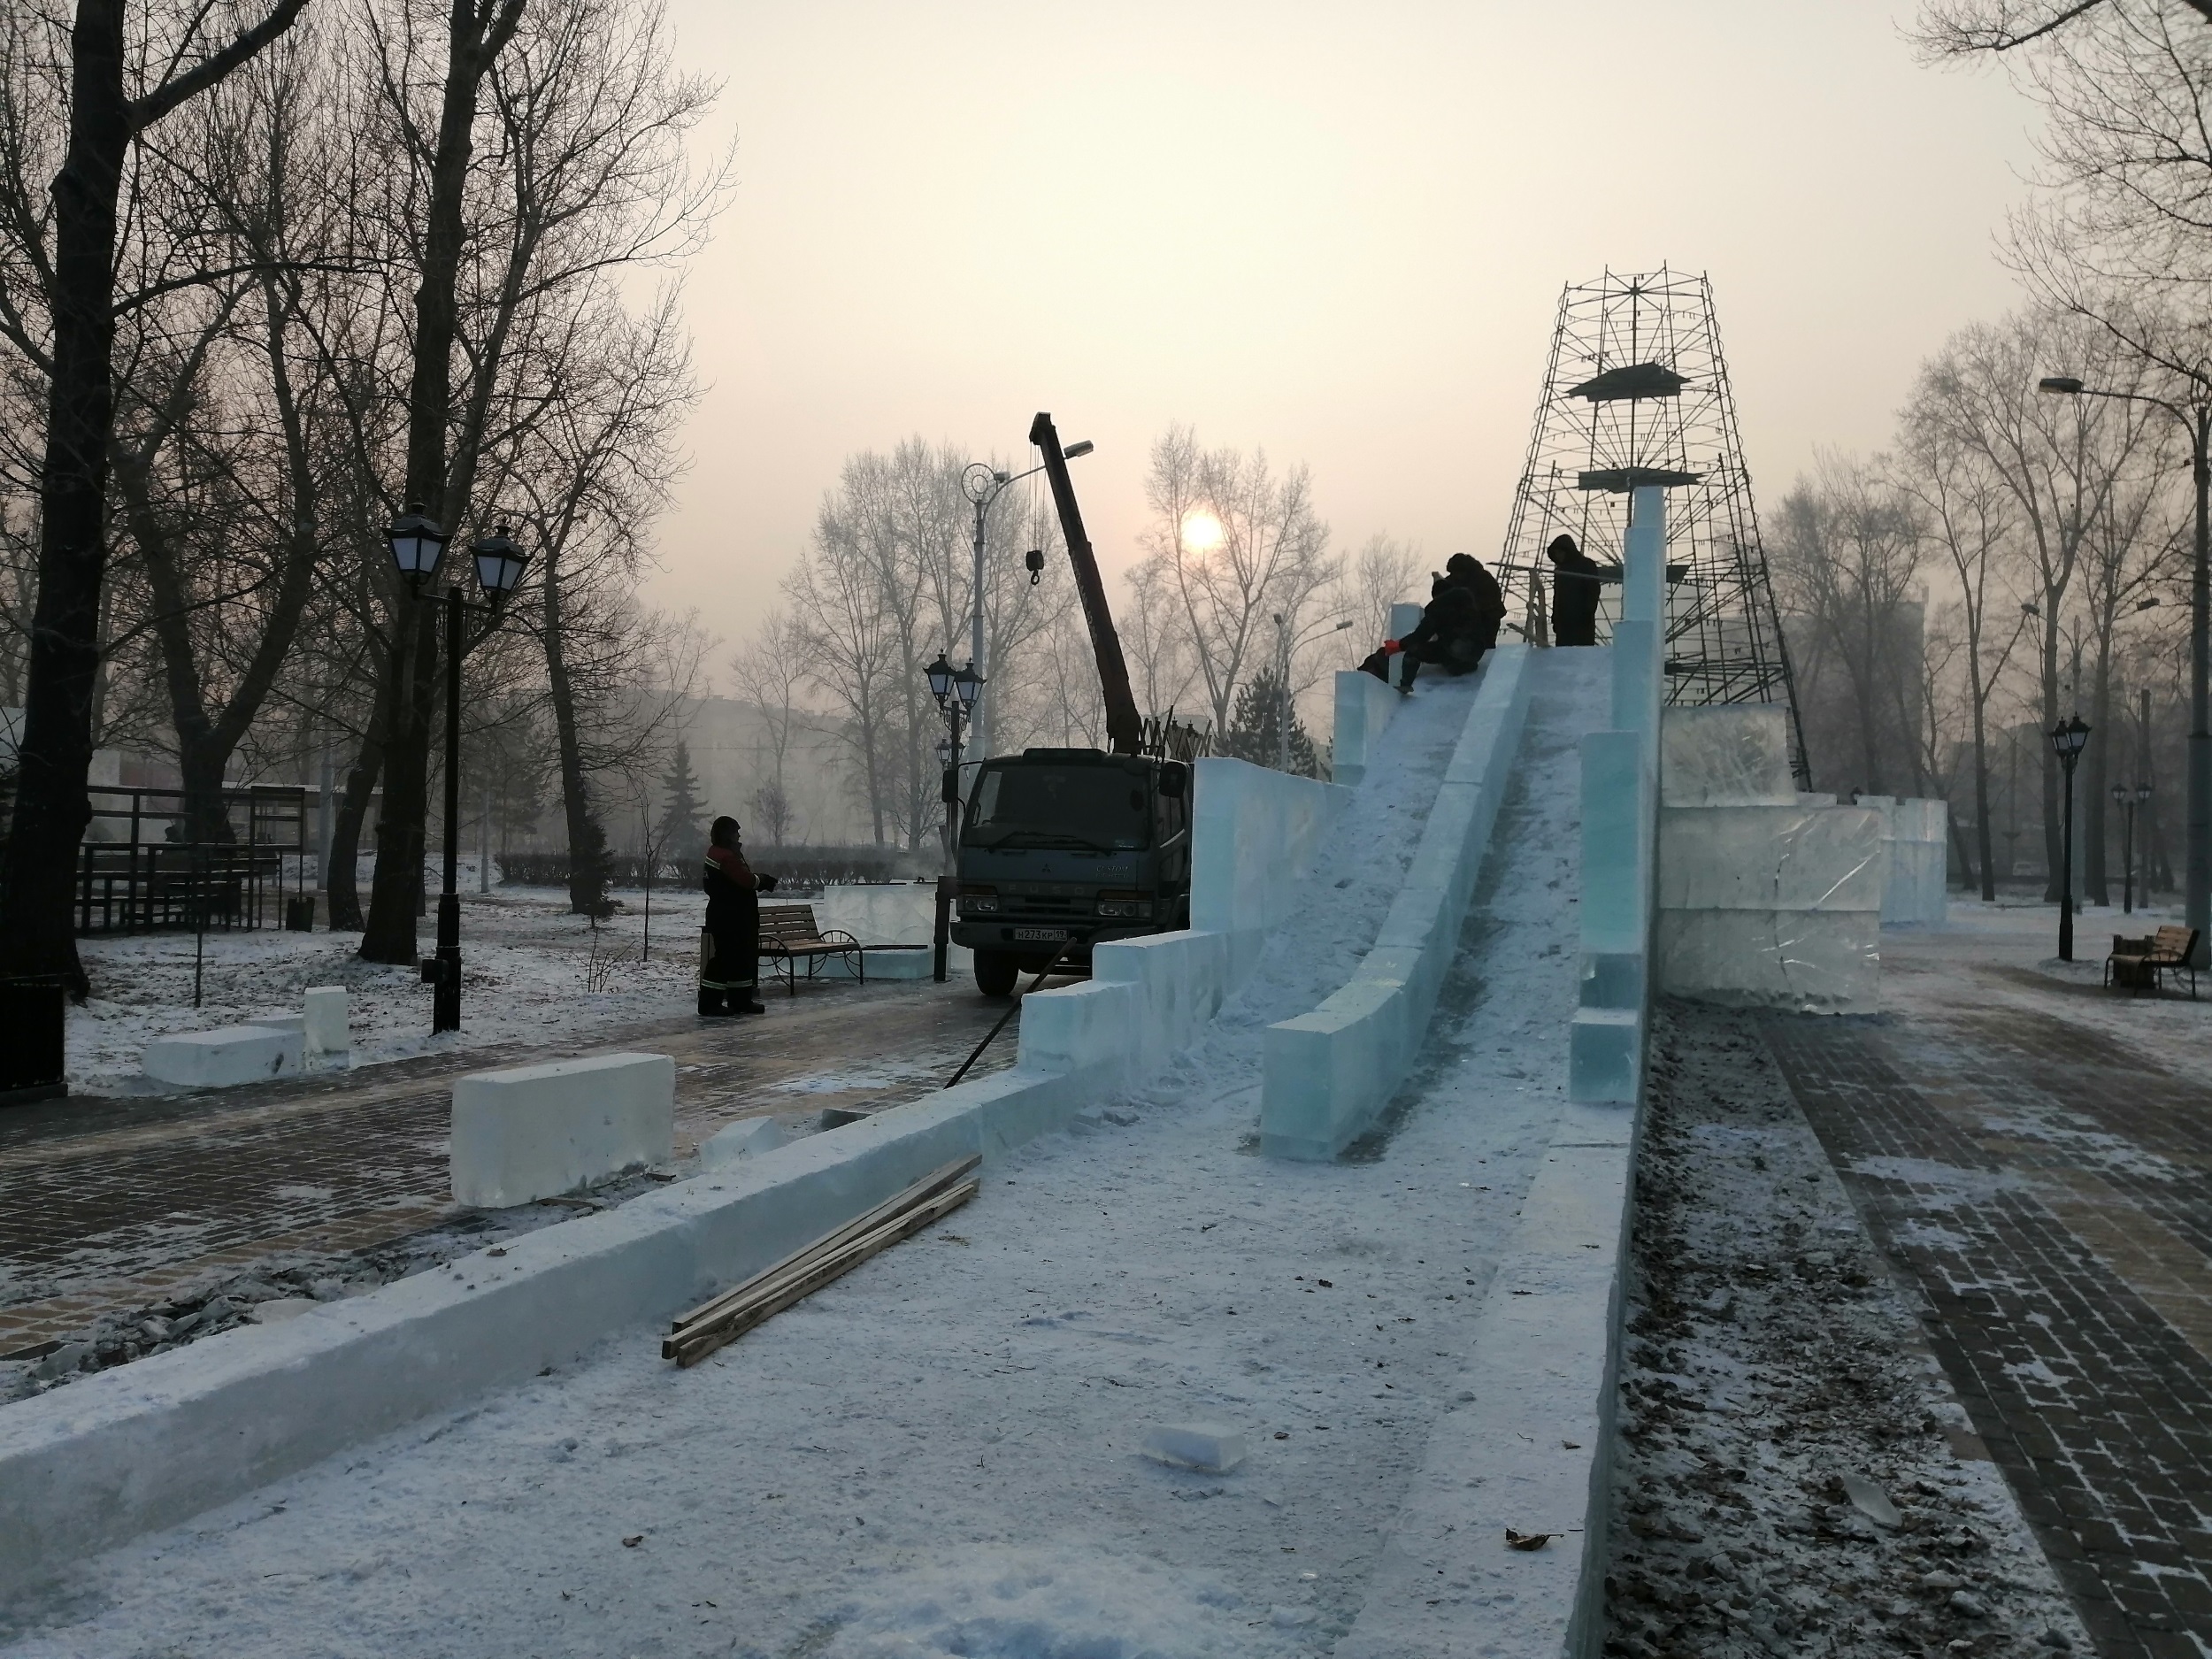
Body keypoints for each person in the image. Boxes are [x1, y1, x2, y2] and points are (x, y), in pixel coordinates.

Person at [698, 815, 774, 1017]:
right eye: (735, 832)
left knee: (740, 958)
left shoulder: (719, 853)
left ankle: (741, 1001)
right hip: (730, 917)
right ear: (726, 834)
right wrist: (763, 881)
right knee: (726, 958)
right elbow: (745, 880)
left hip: (732, 916)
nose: (738, 835)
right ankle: (710, 1003)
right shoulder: (726, 856)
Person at [1398, 553, 1508, 689]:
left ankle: (1406, 684)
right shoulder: (1456, 584)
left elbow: (1422, 633)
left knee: (1420, 649)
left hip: (1481, 625)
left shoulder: (1483, 581)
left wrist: (1400, 645)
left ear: (1463, 571)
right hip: (1471, 648)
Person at [1547, 533, 1605, 648]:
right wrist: (1555, 618)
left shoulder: (1586, 565)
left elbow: (1593, 591)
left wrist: (1588, 613)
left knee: (1581, 654)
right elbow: (1557, 596)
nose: (1558, 556)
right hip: (1564, 622)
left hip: (1582, 620)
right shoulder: (1560, 570)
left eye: (1560, 552)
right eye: (1555, 553)